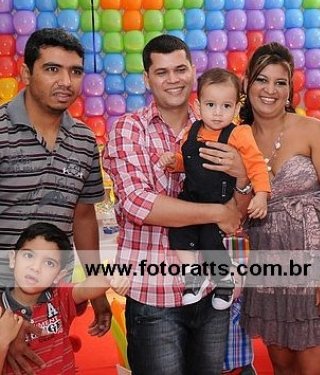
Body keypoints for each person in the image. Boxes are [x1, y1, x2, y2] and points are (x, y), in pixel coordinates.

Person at [0, 28, 108, 375]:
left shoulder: (83, 140)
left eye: (75, 71)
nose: (65, 81)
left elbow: (83, 218)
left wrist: (98, 294)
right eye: (52, 69)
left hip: (50, 301)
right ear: (26, 73)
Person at [103, 34, 248, 375]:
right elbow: (139, 204)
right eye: (162, 72)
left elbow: (237, 215)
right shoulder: (129, 129)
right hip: (154, 295)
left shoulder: (223, 128)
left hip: (212, 292)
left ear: (193, 71)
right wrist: (217, 211)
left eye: (180, 69)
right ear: (146, 78)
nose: (173, 79)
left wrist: (242, 177)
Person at [238, 42, 320, 374]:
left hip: (318, 265)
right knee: (283, 369)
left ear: (289, 91)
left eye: (280, 82)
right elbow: (236, 213)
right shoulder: (237, 138)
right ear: (246, 83)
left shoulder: (312, 130)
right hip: (270, 269)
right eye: (262, 80)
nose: (270, 90)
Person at [159, 67, 271, 310]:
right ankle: (193, 275)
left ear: (236, 108)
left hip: (218, 201)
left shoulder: (239, 134)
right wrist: (174, 163)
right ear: (198, 107)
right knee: (178, 235)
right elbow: (188, 162)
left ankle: (224, 280)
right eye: (211, 105)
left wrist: (261, 195)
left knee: (210, 241)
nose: (218, 113)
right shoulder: (191, 132)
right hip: (191, 199)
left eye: (226, 106)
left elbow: (256, 165)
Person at [0, 223, 129, 374]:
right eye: (29, 255)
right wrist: (0, 342)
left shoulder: (60, 298)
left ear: (59, 275)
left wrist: (111, 275)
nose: (35, 268)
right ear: (13, 258)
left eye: (49, 263)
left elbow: (87, 287)